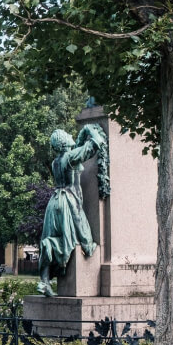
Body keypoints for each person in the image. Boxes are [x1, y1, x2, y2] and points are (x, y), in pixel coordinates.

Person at [38, 124, 107, 297]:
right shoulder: (70, 157)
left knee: (51, 239)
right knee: (86, 240)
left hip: (54, 202)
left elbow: (77, 149)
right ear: (63, 143)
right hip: (69, 202)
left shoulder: (56, 161)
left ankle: (45, 281)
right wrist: (90, 128)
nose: (71, 134)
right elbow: (96, 143)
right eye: (67, 135)